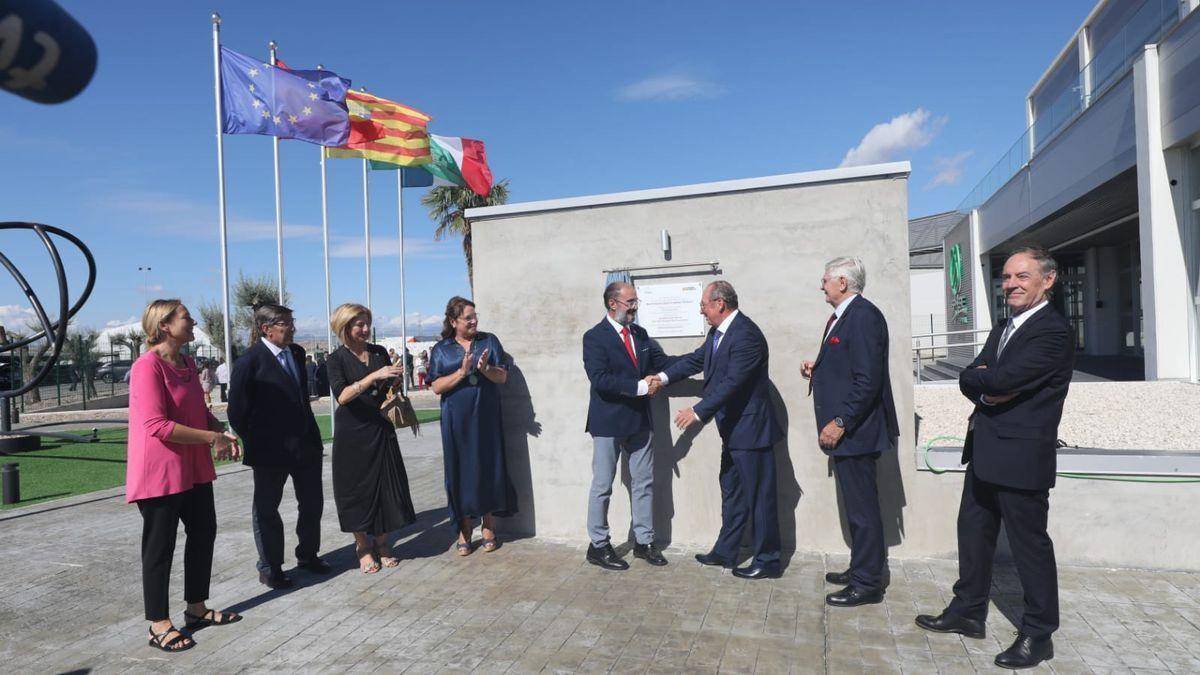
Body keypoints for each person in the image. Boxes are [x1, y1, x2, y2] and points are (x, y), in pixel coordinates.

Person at [915, 245, 1074, 670]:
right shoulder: (1005, 326)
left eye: (1022, 276)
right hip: (984, 451)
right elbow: (972, 376)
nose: (1011, 285)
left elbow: (1003, 376)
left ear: (1048, 279)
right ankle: (968, 611)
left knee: (1030, 548)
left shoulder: (1053, 331)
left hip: (1021, 459)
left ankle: (1039, 634)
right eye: (1006, 277)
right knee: (973, 533)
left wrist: (987, 380)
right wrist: (986, 383)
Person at [126, 299, 242, 653]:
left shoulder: (189, 364)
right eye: (186, 319)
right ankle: (158, 623)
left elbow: (195, 411)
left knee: (204, 533)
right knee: (160, 548)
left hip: (193, 468)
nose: (192, 323)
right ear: (164, 325)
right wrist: (212, 439)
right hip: (159, 472)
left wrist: (219, 427)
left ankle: (196, 609)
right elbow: (157, 425)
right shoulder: (147, 367)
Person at [662, 280, 783, 579]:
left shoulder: (746, 336)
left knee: (759, 497)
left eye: (703, 304)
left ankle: (767, 561)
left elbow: (733, 383)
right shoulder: (718, 334)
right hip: (733, 431)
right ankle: (726, 550)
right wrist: (662, 377)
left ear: (720, 304)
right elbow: (694, 360)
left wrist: (698, 411)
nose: (700, 310)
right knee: (732, 492)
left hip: (751, 431)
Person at [801, 257, 898, 608]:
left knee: (862, 510)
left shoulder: (864, 316)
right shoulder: (845, 316)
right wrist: (819, 366)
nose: (821, 284)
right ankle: (862, 566)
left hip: (856, 432)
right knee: (856, 508)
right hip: (850, 432)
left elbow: (868, 380)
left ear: (843, 282)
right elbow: (851, 366)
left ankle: (868, 583)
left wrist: (841, 421)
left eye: (825, 279)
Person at [227, 303, 329, 589]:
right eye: (286, 323)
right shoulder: (250, 361)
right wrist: (259, 439)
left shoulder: (296, 353)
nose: (293, 328)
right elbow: (237, 411)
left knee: (312, 505)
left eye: (292, 321)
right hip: (271, 452)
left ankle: (308, 555)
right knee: (267, 510)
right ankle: (270, 566)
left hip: (306, 447)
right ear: (266, 329)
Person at [582, 281, 673, 570]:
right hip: (608, 422)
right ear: (613, 304)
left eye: (635, 302)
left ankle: (644, 542)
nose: (635, 307)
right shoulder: (594, 337)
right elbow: (600, 379)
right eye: (630, 302)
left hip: (639, 422)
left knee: (643, 483)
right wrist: (640, 387)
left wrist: (704, 356)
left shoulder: (641, 335)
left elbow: (664, 363)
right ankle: (598, 545)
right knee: (603, 485)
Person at [326, 303, 416, 573]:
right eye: (359, 325)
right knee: (355, 490)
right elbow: (342, 396)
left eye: (367, 323)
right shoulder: (336, 359)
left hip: (381, 427)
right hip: (352, 433)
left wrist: (393, 382)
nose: (365, 329)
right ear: (345, 327)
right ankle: (363, 546)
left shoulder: (378, 353)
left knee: (387, 485)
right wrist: (374, 375)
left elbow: (384, 388)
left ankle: (383, 542)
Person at [429, 296, 518, 555]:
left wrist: (485, 368)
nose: (474, 320)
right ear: (453, 321)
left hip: (486, 417)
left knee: (487, 468)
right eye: (468, 317)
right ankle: (464, 528)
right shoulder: (442, 349)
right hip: (456, 420)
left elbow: (502, 377)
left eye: (475, 315)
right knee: (459, 471)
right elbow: (436, 387)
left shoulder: (489, 340)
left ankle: (488, 525)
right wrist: (462, 372)